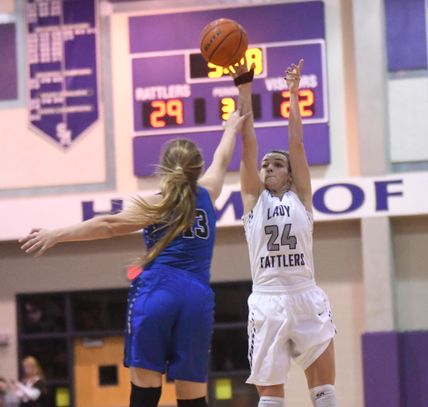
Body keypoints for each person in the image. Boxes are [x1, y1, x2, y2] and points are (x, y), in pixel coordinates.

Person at [19, 110, 250, 407]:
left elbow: (107, 225)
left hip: (158, 291)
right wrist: (231, 129)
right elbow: (222, 158)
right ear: (197, 168)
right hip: (197, 297)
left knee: (145, 393)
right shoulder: (209, 192)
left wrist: (56, 235)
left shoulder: (156, 203)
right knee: (193, 397)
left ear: (165, 169)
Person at [234, 59, 339, 407]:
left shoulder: (302, 198)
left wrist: (293, 94)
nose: (268, 167)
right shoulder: (252, 200)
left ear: (291, 175)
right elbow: (248, 144)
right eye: (266, 165)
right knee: (271, 398)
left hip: (305, 295)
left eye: (277, 164)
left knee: (324, 393)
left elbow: (297, 142)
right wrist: (244, 87)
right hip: (267, 301)